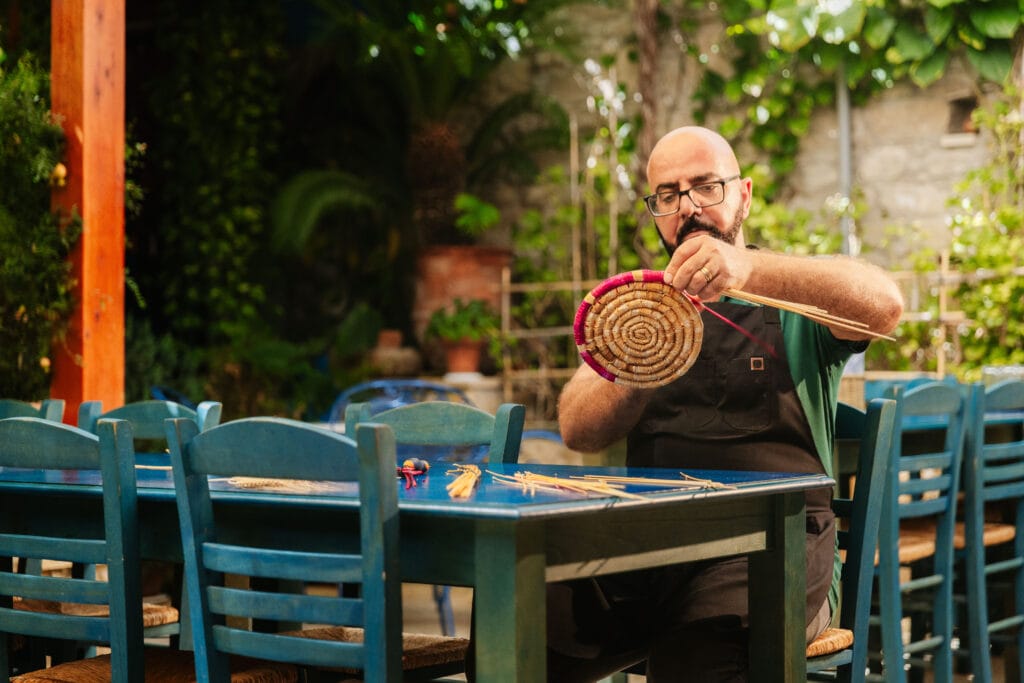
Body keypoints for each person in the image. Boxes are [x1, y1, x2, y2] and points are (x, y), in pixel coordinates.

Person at [548, 126, 904, 682]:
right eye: (668, 195)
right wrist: (641, 355)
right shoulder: (640, 303)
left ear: (745, 194)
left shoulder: (791, 300)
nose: (688, 206)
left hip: (773, 551)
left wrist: (748, 270)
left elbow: (886, 305)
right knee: (519, 616)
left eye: (706, 186)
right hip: (646, 545)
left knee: (701, 657)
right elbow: (577, 430)